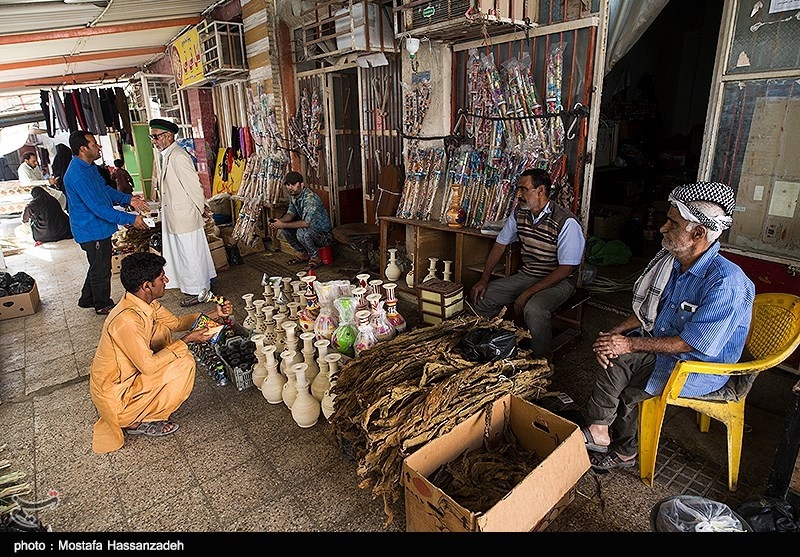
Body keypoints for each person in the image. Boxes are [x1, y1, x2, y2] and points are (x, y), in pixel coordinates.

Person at [580, 182, 755, 472]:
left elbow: (692, 344)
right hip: (667, 348)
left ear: (698, 233)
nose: (662, 228)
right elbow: (651, 312)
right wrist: (616, 333)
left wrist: (629, 344)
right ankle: (599, 427)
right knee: (613, 352)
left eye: (672, 222)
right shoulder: (675, 264)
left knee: (629, 385)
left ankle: (624, 451)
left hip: (699, 365)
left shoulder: (726, 283)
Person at [89, 251, 234, 454]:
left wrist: (214, 314)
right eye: (161, 277)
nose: (166, 280)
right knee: (183, 362)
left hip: (129, 381)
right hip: (117, 398)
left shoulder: (142, 303)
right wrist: (187, 340)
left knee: (164, 331)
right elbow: (148, 367)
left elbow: (176, 323)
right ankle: (136, 420)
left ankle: (139, 410)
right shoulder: (127, 320)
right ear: (146, 286)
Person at [469, 168, 585, 361]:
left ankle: (540, 364)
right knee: (482, 296)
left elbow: (566, 269)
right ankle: (490, 347)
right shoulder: (520, 214)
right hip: (528, 275)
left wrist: (529, 292)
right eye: (518, 189)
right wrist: (484, 278)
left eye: (523, 189)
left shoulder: (565, 222)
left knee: (534, 308)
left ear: (540, 191)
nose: (518, 194)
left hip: (560, 282)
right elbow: (500, 244)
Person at [63, 130, 150, 315]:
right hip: (90, 229)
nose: (98, 146)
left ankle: (87, 298)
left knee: (97, 264)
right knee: (101, 268)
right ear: (83, 149)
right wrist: (130, 219)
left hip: (98, 228)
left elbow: (105, 191)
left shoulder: (89, 167)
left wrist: (128, 199)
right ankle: (102, 303)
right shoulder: (77, 174)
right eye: (94, 144)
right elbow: (98, 208)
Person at [149, 118, 216, 308]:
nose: (153, 140)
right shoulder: (168, 155)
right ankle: (195, 287)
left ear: (168, 136)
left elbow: (193, 185)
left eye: (155, 137)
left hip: (185, 216)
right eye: (151, 137)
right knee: (186, 254)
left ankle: (200, 292)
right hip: (177, 216)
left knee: (191, 254)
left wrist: (202, 206)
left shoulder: (178, 156)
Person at [268, 171, 334, 272]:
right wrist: (279, 222)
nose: (290, 187)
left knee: (301, 231)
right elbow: (290, 214)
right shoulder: (295, 197)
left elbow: (305, 223)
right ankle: (302, 254)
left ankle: (315, 257)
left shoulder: (310, 198)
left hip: (324, 236)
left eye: (293, 184)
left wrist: (283, 224)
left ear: (302, 184)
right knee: (284, 229)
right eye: (288, 185)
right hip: (311, 232)